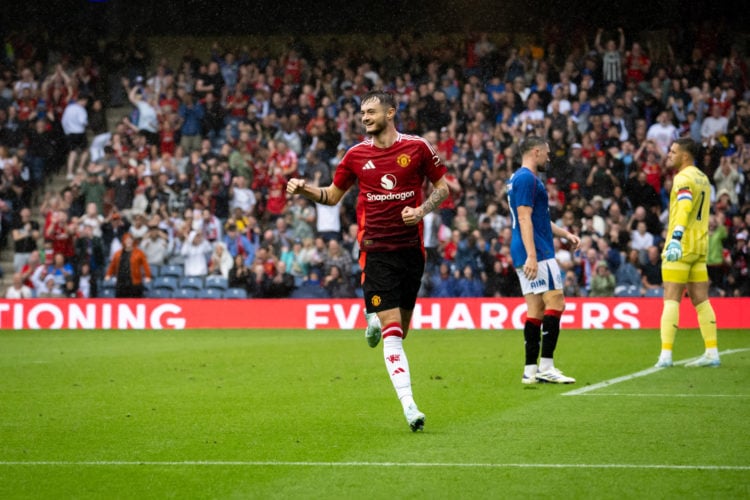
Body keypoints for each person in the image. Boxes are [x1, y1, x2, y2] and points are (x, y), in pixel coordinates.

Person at [286, 90, 450, 432]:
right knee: (393, 335)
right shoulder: (356, 155)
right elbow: (332, 195)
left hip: (411, 252)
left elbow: (444, 188)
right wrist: (304, 190)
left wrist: (421, 210)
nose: (365, 118)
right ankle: (410, 407)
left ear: (391, 112)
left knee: (401, 331)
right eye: (362, 113)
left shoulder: (417, 147)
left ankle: (373, 319)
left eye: (371, 112)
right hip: (376, 251)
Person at [507, 136, 581, 384]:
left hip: (526, 248)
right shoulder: (528, 178)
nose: (549, 157)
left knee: (536, 308)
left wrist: (565, 234)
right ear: (536, 152)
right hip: (537, 251)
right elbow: (525, 218)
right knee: (556, 302)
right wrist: (532, 255)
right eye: (547, 153)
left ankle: (530, 371)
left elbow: (538, 219)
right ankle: (547, 366)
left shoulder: (518, 178)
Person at [655, 138, 720, 368]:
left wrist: (676, 238)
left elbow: (684, 207)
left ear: (685, 156)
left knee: (671, 298)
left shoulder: (682, 178)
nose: (669, 155)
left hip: (680, 248)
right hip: (700, 247)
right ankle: (712, 352)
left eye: (673, 152)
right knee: (701, 300)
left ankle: (665, 355)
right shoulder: (703, 178)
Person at [105, 233, 152, 298]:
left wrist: (148, 276)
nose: (128, 241)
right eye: (126, 240)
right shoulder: (118, 254)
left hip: (135, 282)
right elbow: (112, 265)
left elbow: (145, 265)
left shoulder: (139, 253)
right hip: (121, 282)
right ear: (123, 241)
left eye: (130, 240)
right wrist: (108, 274)